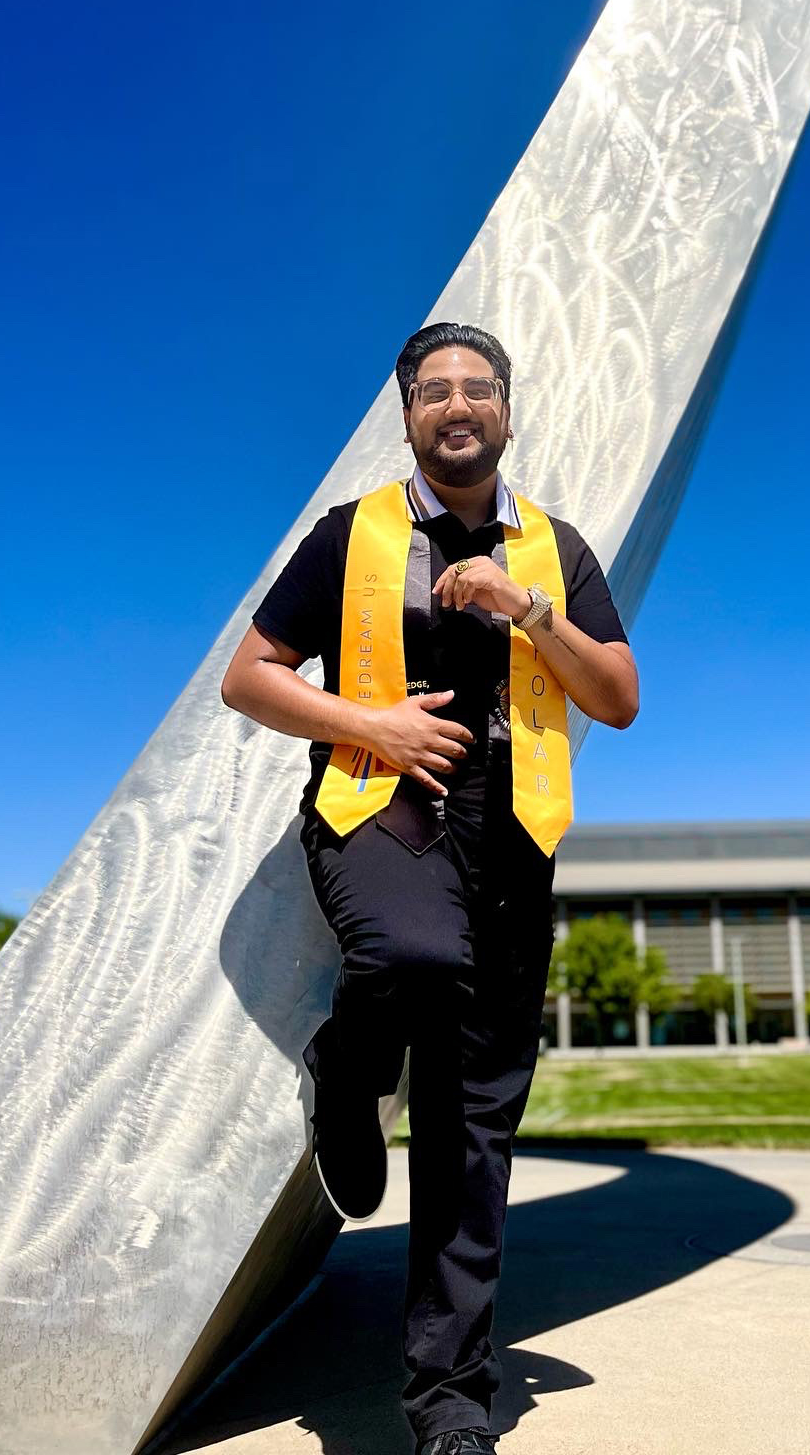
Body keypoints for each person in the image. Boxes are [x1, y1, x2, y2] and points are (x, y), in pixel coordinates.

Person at [221, 321, 638, 1455]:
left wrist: (529, 610)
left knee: (473, 1129)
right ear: (407, 416)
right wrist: (374, 725)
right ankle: (343, 1072)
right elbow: (246, 677)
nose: (459, 405)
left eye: (480, 388)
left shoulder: (555, 547)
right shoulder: (350, 536)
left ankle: (450, 1405)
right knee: (409, 959)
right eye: (435, 391)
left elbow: (617, 696)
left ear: (508, 411)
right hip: (378, 811)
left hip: (512, 841)